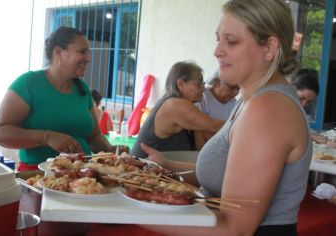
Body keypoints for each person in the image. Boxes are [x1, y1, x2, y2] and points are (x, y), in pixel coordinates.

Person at [139, 0, 312, 235]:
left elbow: (234, 229)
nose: (217, 50)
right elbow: (225, 176)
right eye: (218, 38)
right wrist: (167, 167)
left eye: (231, 41)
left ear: (269, 47)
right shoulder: (250, 100)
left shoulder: (269, 109)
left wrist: (124, 210)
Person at [0, 26, 116, 171]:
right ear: (58, 53)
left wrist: (112, 151)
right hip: (38, 177)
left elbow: (93, 137)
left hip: (84, 179)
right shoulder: (29, 84)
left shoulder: (82, 89)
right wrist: (47, 137)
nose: (88, 58)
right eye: (82, 52)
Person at [131, 61, 225, 158]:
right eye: (198, 83)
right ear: (181, 84)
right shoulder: (175, 106)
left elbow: (202, 145)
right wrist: (240, 123)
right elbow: (214, 126)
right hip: (139, 168)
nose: (203, 88)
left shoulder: (185, 107)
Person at [195, 69, 239, 147]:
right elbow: (198, 130)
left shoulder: (233, 103)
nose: (235, 93)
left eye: (238, 89)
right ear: (217, 83)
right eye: (232, 88)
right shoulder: (202, 97)